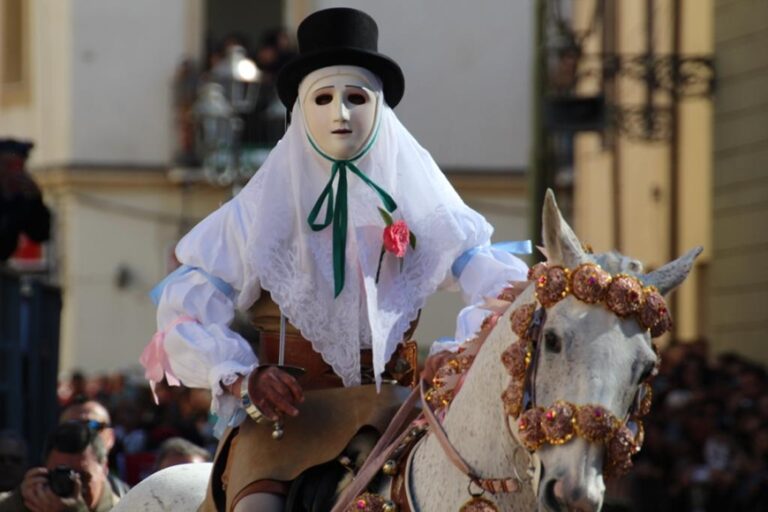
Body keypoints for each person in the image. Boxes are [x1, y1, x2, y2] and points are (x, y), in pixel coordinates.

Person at [142, 7, 529, 511]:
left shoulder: (420, 201)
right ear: (302, 109)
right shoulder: (258, 212)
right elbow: (182, 308)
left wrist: (459, 353)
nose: (340, 114)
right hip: (288, 423)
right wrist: (244, 375)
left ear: (379, 107)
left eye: (355, 98)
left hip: (398, 414)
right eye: (323, 98)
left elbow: (499, 281)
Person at [0, 422, 119, 512]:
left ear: (104, 469)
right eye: (61, 474)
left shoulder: (130, 506)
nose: (73, 485)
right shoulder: (27, 503)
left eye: (82, 477)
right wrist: (20, 501)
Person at [59, 398, 131, 498]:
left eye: (93, 426)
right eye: (72, 427)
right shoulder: (39, 494)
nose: (82, 434)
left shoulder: (128, 496)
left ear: (111, 437)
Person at [0, 139, 50, 262]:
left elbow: (39, 234)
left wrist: (35, 200)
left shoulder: (20, 199)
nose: (16, 172)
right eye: (9, 166)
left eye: (20, 166)